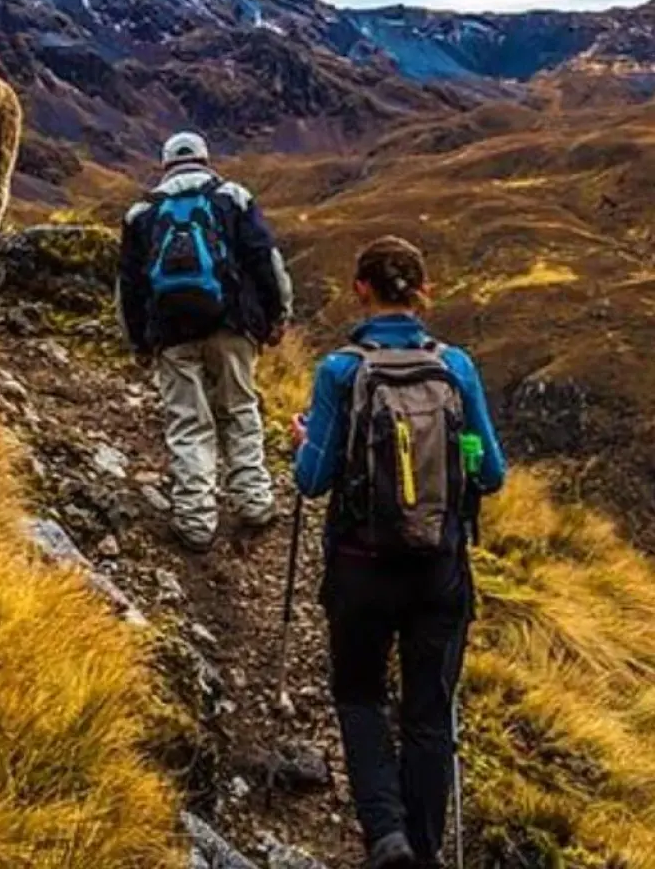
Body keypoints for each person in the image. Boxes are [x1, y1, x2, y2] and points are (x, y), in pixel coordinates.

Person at [291, 236, 505, 869]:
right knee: (429, 713)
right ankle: (427, 850)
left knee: (359, 696)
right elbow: (491, 473)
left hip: (360, 568)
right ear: (423, 291)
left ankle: (387, 836)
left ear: (361, 289)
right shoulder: (456, 367)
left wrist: (305, 441)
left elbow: (312, 480)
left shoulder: (339, 371)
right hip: (439, 568)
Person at [117, 130, 293, 553]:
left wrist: (139, 341)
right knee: (239, 410)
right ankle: (253, 501)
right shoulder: (232, 198)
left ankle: (195, 521)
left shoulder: (141, 213)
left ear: (165, 165)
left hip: (171, 333)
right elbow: (265, 261)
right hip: (231, 325)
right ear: (206, 160)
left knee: (188, 423)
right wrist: (277, 315)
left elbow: (129, 287)